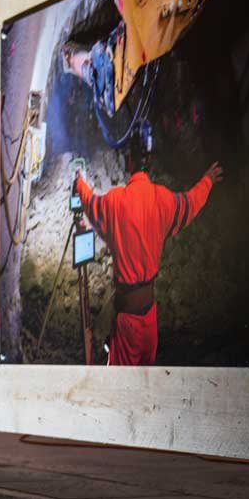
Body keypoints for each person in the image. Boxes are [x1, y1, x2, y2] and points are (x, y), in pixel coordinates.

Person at [74, 143, 223, 365]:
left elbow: (90, 202)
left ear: (130, 162)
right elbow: (191, 202)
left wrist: (79, 181)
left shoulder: (116, 201)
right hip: (150, 320)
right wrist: (207, 180)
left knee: (123, 389)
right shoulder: (162, 199)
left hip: (128, 324)